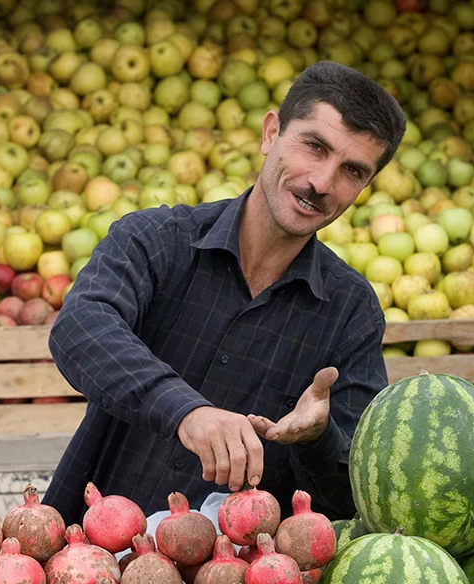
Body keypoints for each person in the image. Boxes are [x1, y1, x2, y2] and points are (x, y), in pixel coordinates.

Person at [42, 60, 407, 526]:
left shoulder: (351, 312)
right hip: (87, 555)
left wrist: (318, 440)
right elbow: (80, 328)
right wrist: (188, 412)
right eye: (314, 146)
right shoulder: (155, 239)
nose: (322, 182)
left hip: (239, 569)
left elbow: (352, 500)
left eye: (352, 171)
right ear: (270, 133)